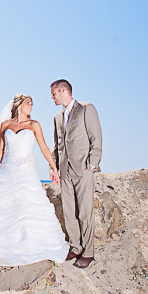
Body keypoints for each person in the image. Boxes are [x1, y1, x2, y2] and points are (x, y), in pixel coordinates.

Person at [0, 93, 69, 266]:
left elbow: (44, 147)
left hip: (26, 171)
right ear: (19, 105)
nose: (31, 106)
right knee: (4, 207)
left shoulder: (34, 125)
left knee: (28, 207)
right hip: (7, 170)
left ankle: (29, 247)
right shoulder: (5, 125)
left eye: (32, 104)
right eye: (28, 103)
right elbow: (1, 148)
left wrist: (54, 168)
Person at [51, 79, 102, 269]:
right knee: (69, 211)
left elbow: (96, 137)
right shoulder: (57, 117)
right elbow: (58, 145)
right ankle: (75, 246)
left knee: (85, 212)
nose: (52, 97)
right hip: (65, 170)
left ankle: (88, 252)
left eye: (53, 93)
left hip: (83, 168)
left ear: (63, 90)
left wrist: (92, 164)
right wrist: (54, 167)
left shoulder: (86, 109)